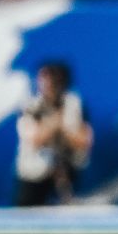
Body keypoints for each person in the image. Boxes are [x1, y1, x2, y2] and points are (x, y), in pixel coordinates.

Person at [15, 62, 93, 206]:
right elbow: (35, 139)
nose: (48, 85)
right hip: (33, 172)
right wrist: (56, 120)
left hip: (67, 170)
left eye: (53, 80)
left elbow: (84, 141)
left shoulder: (75, 104)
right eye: (43, 79)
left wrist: (65, 134)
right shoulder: (31, 106)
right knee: (27, 214)